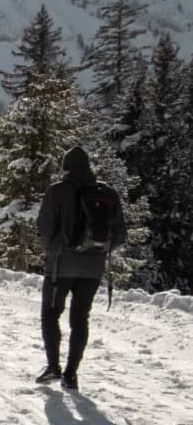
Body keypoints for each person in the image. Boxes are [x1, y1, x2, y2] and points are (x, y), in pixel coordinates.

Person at [34, 145, 127, 391]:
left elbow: (44, 228)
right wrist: (97, 251)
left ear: (66, 168)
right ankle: (71, 374)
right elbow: (119, 235)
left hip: (60, 266)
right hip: (93, 269)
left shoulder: (57, 191)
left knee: (50, 314)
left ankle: (53, 366)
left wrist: (53, 250)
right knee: (80, 318)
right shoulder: (107, 193)